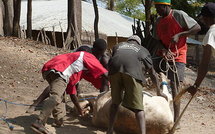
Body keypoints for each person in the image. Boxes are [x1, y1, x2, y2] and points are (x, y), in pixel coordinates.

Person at [31, 51, 108, 134]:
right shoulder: (88, 57)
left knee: (60, 96)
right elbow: (104, 73)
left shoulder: (76, 64)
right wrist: (118, 83)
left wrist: (79, 109)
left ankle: (58, 120)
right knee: (55, 97)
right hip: (59, 70)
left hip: (49, 68)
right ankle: (39, 121)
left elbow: (72, 93)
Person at [26, 39, 110, 115]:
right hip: (72, 69)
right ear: (99, 50)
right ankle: (35, 104)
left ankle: (91, 108)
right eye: (99, 53)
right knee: (59, 84)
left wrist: (103, 99)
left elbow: (105, 80)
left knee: (70, 87)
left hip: (88, 71)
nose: (100, 55)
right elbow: (72, 64)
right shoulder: (85, 51)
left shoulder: (104, 59)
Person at [152, 0, 201, 122]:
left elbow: (197, 27)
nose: (157, 11)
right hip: (163, 54)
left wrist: (181, 34)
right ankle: (158, 110)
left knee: (175, 87)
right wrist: (163, 50)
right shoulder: (158, 21)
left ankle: (176, 119)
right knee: (149, 71)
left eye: (158, 8)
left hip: (178, 55)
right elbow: (156, 40)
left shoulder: (178, 15)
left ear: (165, 6)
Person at [106, 35, 166, 134]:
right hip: (131, 72)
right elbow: (152, 72)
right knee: (138, 108)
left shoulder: (118, 45)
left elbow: (113, 59)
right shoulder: (143, 50)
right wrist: (158, 91)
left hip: (114, 71)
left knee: (115, 103)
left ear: (128, 41)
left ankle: (110, 130)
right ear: (138, 43)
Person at [187, 2, 215, 95]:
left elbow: (204, 63)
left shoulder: (211, 32)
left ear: (207, 17)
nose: (203, 20)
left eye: (203, 17)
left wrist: (196, 85)